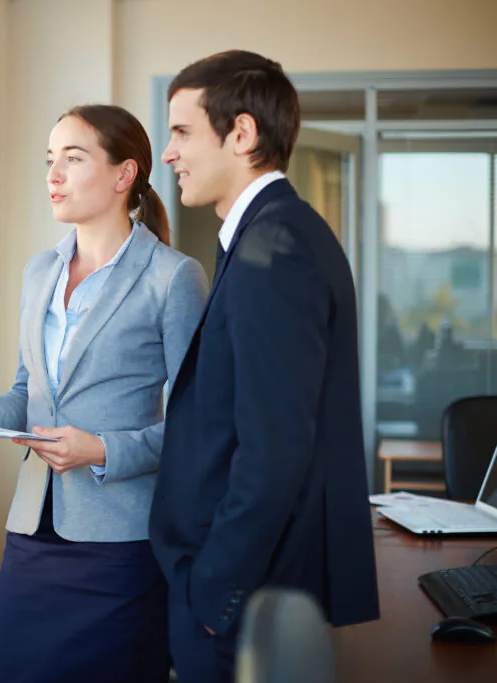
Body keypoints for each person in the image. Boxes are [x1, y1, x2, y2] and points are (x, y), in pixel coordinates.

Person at [0, 104, 208, 683]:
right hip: (33, 530)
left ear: (124, 174)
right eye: (50, 160)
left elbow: (195, 426)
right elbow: (30, 397)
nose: (53, 175)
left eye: (72, 159)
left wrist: (99, 449)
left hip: (120, 542)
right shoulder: (40, 272)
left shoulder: (173, 278)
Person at [148, 50, 380, 683]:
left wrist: (211, 594)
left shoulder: (273, 249)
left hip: (242, 596)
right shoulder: (274, 235)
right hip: (250, 588)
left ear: (242, 134)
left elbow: (274, 449)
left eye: (182, 131)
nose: (168, 153)